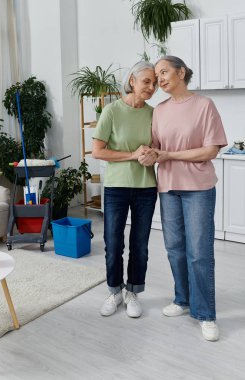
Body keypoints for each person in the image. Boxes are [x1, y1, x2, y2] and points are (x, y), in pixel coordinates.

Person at [139, 55, 227, 341]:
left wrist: (168, 155)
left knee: (199, 252)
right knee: (175, 248)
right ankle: (182, 299)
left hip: (198, 188)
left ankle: (205, 314)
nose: (159, 79)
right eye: (156, 75)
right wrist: (147, 153)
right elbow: (156, 147)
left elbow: (210, 150)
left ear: (181, 72)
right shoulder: (160, 110)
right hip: (168, 187)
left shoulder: (204, 106)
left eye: (164, 72)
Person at [92, 61, 157, 318]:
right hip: (117, 187)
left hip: (146, 187)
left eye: (154, 83)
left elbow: (160, 147)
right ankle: (114, 291)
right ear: (132, 81)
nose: (152, 87)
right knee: (113, 242)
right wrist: (132, 154)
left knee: (139, 244)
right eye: (146, 82)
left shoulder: (154, 113)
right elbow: (98, 151)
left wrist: (152, 154)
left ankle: (133, 292)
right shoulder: (111, 111)